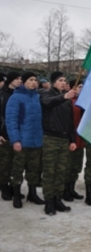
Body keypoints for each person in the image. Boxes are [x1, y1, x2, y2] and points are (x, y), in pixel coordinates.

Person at [40, 71, 77, 216]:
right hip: (51, 138)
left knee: (61, 171)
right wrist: (64, 96)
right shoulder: (46, 94)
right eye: (60, 80)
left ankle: (57, 198)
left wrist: (72, 140)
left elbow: (70, 122)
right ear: (54, 82)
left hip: (64, 139)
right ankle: (49, 201)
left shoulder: (67, 100)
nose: (63, 82)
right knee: (50, 171)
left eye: (64, 80)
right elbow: (47, 103)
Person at [6, 72, 44, 208]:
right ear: (24, 82)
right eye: (31, 80)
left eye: (36, 80)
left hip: (36, 141)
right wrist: (15, 140)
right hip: (22, 141)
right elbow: (11, 121)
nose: (34, 82)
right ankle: (16, 195)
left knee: (34, 169)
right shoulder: (15, 98)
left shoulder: (37, 97)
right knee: (17, 170)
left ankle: (32, 194)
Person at [0, 72, 22, 201]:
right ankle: (4, 188)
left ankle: (14, 187)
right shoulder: (2, 95)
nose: (20, 81)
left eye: (20, 78)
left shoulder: (19, 94)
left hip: (18, 134)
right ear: (10, 80)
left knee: (16, 164)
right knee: (5, 163)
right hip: (4, 134)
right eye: (17, 78)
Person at [63, 80, 85, 202]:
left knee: (76, 166)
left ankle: (71, 188)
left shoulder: (83, 102)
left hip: (80, 140)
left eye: (82, 87)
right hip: (72, 139)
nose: (81, 89)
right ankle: (65, 190)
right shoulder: (69, 102)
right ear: (72, 88)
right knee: (68, 166)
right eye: (79, 87)